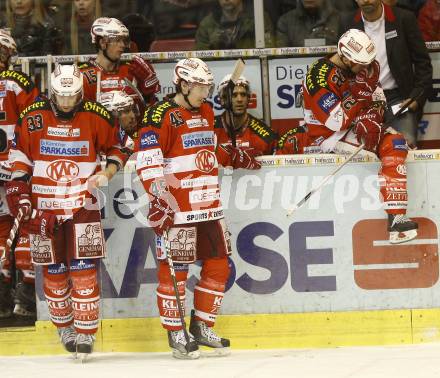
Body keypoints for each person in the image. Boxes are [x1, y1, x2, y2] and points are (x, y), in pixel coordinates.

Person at [134, 58, 260, 359]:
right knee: (174, 272)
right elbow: (148, 164)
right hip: (178, 208)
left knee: (219, 266)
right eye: (201, 87)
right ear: (184, 84)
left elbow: (207, 148)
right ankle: (176, 331)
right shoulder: (159, 114)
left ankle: (202, 326)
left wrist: (232, 155)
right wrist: (160, 198)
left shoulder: (205, 111)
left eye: (208, 87)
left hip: (209, 205)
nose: (206, 93)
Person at [7, 64, 127, 358]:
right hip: (43, 212)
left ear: (80, 94)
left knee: (84, 272)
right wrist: (19, 190)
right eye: (61, 97)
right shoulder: (32, 117)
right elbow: (19, 157)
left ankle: (86, 333)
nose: (66, 103)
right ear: (52, 92)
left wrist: (107, 174)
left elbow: (120, 147)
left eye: (72, 97)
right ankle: (65, 328)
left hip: (83, 208)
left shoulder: (97, 116)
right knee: (54, 273)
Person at [297, 29, 418, 244]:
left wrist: (372, 116)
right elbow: (336, 121)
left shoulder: (365, 64)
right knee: (393, 144)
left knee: (397, 143)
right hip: (329, 135)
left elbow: (379, 97)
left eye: (368, 63)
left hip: (356, 123)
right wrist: (360, 96)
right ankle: (395, 218)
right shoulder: (319, 77)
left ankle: (396, 218)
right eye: (361, 64)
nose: (366, 68)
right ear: (344, 56)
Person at [339, 0, 433, 146]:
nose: (366, 0)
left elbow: (423, 63)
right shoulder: (346, 21)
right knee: (361, 153)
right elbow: (342, 65)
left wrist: (416, 97)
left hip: (398, 99)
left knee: (405, 147)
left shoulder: (404, 18)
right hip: (362, 100)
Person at [0, 29, 39, 320]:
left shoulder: (17, 82)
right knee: (18, 226)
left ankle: (22, 293)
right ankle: (20, 293)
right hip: (13, 164)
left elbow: (35, 121)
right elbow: (36, 121)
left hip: (15, 165)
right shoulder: (18, 81)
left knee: (21, 225)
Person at [79, 17, 160, 106]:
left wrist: (148, 95)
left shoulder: (133, 69)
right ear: (102, 43)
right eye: (117, 40)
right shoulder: (84, 75)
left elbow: (151, 111)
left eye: (124, 41)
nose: (122, 45)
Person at [215, 74, 277, 155]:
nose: (239, 99)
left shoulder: (267, 136)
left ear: (248, 98)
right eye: (234, 95)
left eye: (243, 94)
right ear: (223, 99)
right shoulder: (210, 130)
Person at [196, 0, 275, 49]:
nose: (226, 0)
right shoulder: (207, 24)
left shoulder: (259, 19)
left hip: (252, 69)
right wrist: (215, 45)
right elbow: (201, 59)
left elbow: (268, 50)